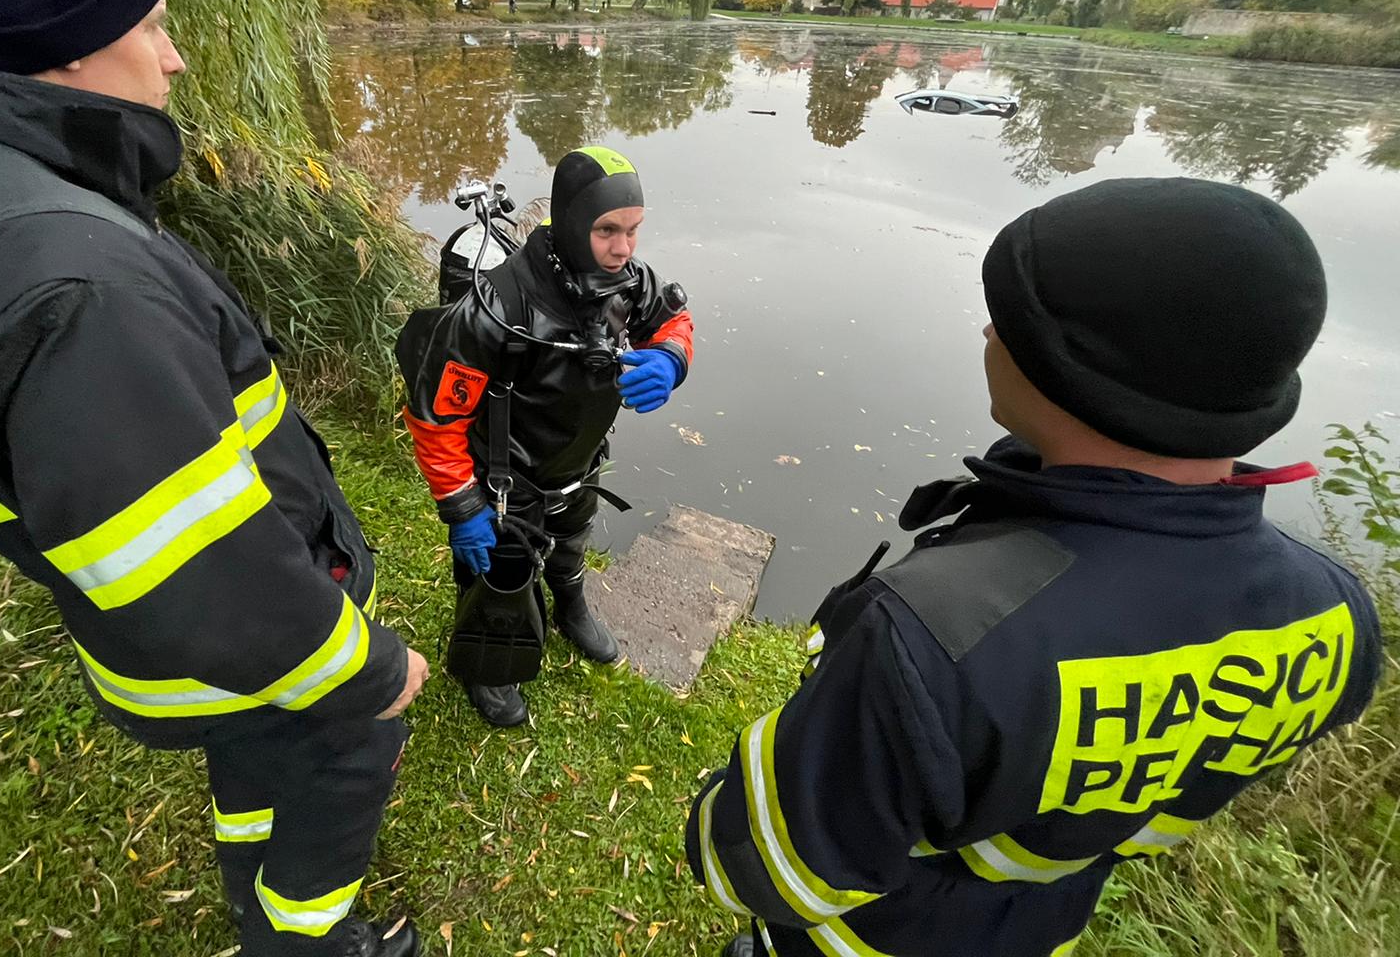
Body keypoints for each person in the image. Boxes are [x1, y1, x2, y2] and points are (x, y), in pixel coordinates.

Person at [0, 0, 424, 956]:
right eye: (150, 24)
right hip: (249, 641)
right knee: (334, 767)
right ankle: (307, 940)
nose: (176, 60)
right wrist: (369, 668)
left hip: (164, 639)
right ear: (60, 49)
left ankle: (255, 875)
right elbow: (199, 567)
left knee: (255, 770)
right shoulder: (73, 278)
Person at [686, 178, 1384, 957]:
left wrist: (722, 809)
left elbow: (766, 869)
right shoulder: (1336, 614)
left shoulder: (935, 633)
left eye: (1013, 320)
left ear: (1072, 373)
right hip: (1036, 930)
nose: (990, 329)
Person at [395, 147, 693, 727]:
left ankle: (572, 604)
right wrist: (462, 507)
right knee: (497, 569)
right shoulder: (496, 307)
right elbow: (436, 418)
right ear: (570, 222)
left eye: (633, 231)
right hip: (505, 477)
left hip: (578, 461)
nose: (624, 248)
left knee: (572, 535)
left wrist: (671, 359)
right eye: (607, 230)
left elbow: (675, 320)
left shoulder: (630, 283)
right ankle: (489, 660)